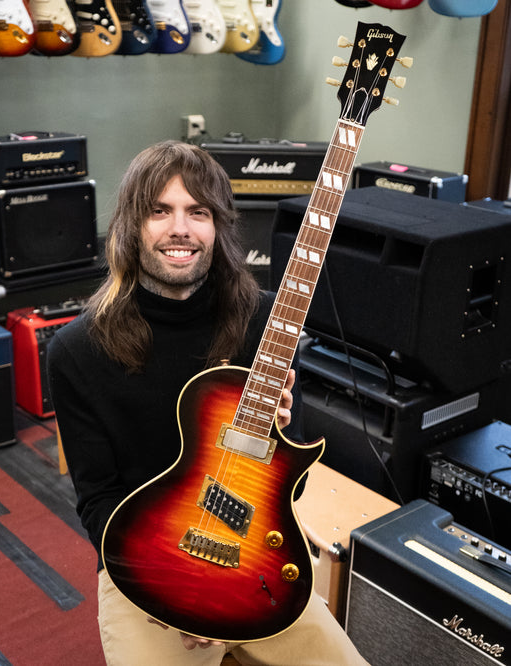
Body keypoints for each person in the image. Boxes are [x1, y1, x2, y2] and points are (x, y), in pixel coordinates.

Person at [47, 140, 368, 665]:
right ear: (131, 226)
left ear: (218, 227)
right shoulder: (78, 351)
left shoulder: (265, 319)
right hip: (147, 561)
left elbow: (297, 483)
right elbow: (97, 499)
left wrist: (281, 438)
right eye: (160, 211)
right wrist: (180, 592)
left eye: (198, 212)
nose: (181, 229)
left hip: (255, 557)